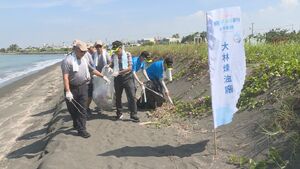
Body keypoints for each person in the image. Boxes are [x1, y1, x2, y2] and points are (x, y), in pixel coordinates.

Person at [61, 40, 110, 138]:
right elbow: (65, 77)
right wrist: (68, 91)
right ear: (76, 50)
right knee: (73, 110)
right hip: (72, 88)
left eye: (85, 51)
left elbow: (92, 70)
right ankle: (76, 123)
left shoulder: (84, 59)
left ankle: (82, 129)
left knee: (82, 109)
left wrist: (103, 76)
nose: (84, 53)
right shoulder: (67, 61)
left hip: (83, 86)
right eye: (82, 51)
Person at [110, 40, 139, 122]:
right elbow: (112, 64)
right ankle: (119, 113)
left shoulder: (127, 54)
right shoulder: (113, 55)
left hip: (128, 77)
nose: (116, 52)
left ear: (121, 48)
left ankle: (133, 114)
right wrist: (108, 66)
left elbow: (130, 68)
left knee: (132, 96)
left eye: (117, 50)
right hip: (117, 79)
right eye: (115, 50)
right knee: (118, 96)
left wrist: (118, 72)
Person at [86, 43, 97, 115]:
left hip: (91, 76)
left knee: (89, 94)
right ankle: (86, 108)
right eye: (93, 47)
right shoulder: (87, 55)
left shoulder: (92, 55)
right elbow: (91, 67)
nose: (94, 48)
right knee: (88, 95)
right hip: (88, 78)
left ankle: (86, 108)